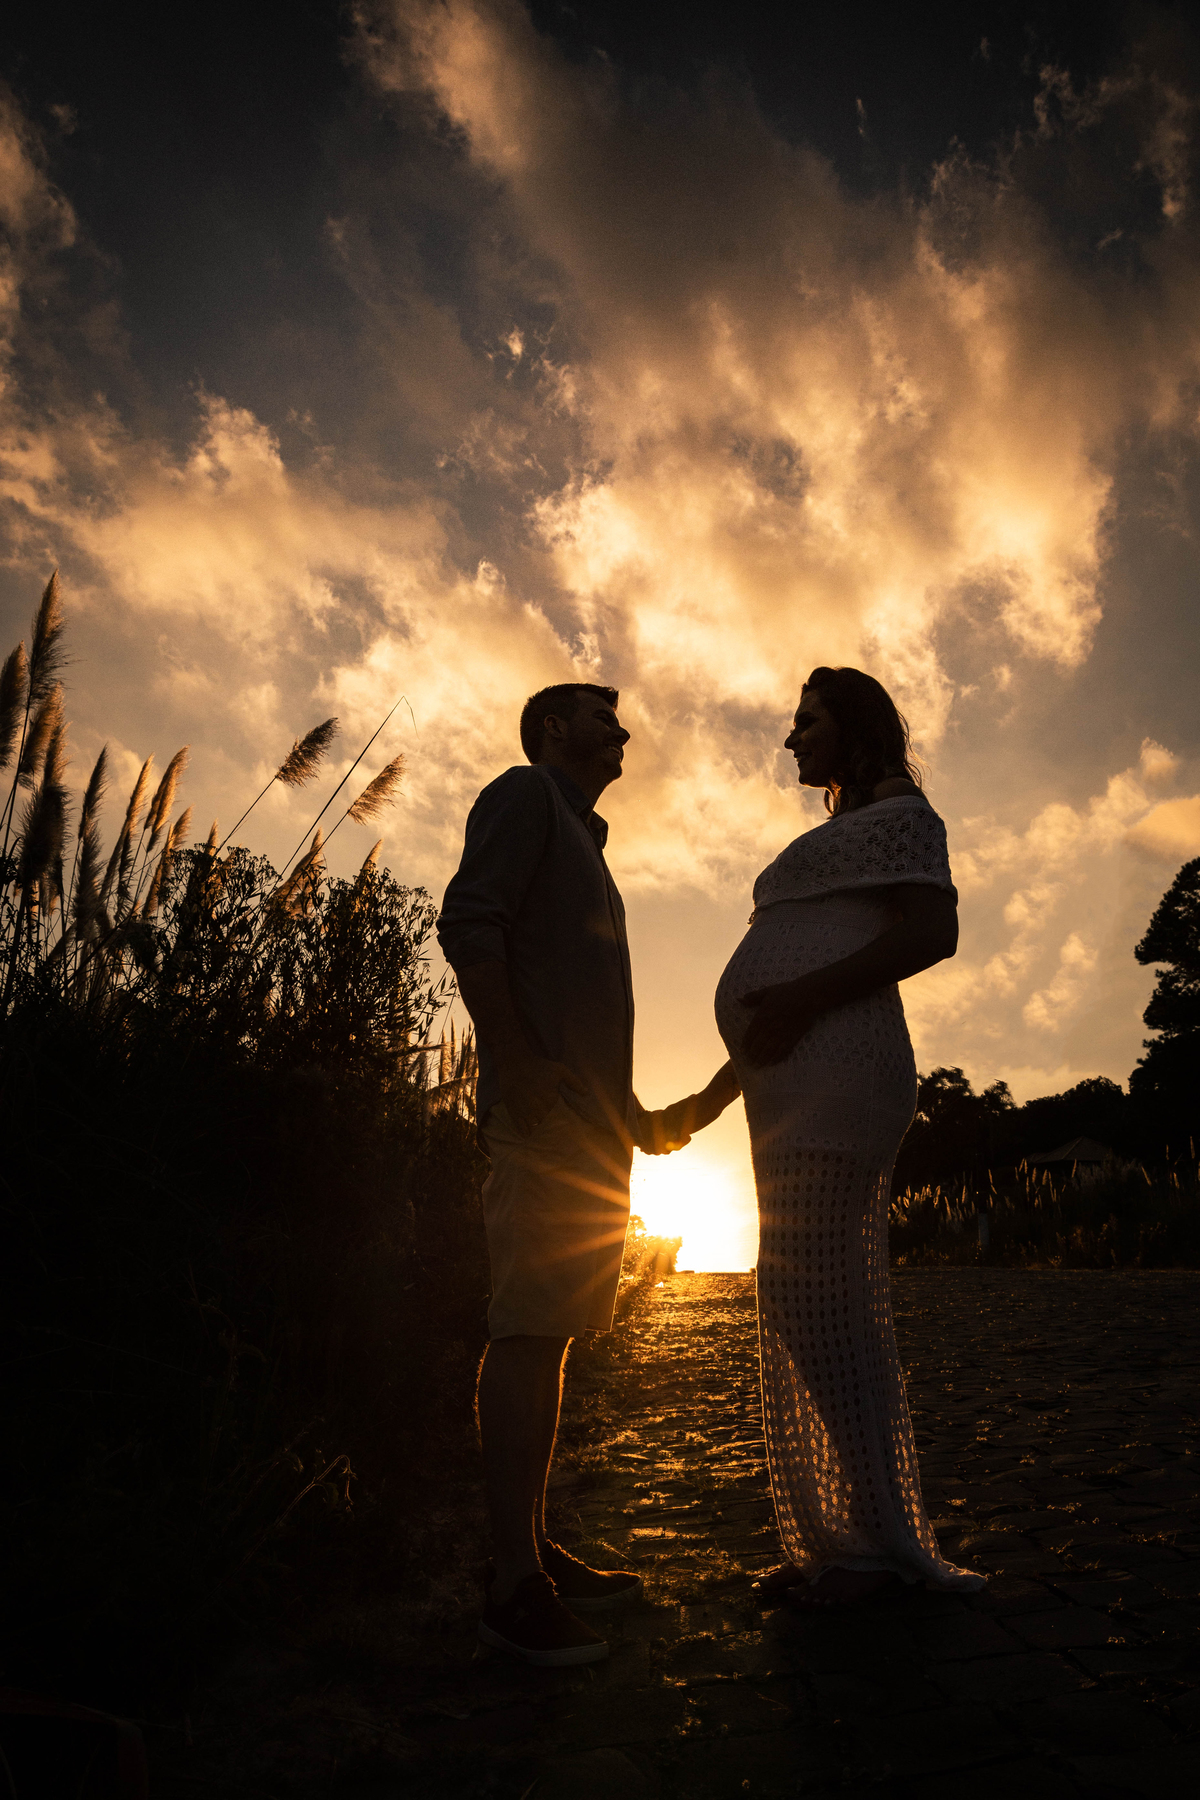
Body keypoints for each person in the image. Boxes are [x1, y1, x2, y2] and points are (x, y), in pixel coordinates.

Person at [665, 667, 985, 1606]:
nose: (792, 738)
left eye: (809, 721)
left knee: (822, 1306)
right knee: (812, 1305)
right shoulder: (844, 827)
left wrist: (797, 997)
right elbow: (771, 1012)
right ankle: (845, 1536)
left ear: (855, 725)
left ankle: (865, 1547)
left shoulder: (900, 811)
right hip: (797, 1074)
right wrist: (708, 1101)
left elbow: (935, 930)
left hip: (843, 1068)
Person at [437, 682, 679, 1667]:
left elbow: (585, 1008)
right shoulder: (526, 795)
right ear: (550, 730)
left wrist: (632, 1117)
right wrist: (517, 1059)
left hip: (588, 1132)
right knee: (527, 1331)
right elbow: (469, 921)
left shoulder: (591, 841)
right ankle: (509, 1587)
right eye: (598, 711)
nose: (620, 725)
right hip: (540, 1119)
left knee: (555, 1337)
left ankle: (532, 1550)